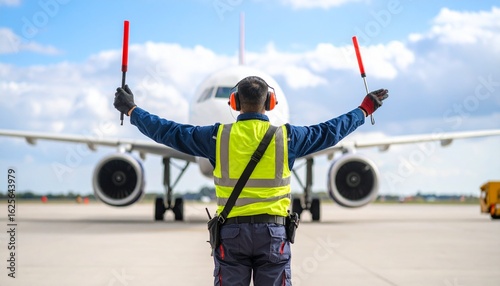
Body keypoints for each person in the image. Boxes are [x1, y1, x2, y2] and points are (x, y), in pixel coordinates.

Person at [114, 76, 388, 286]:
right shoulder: (288, 137)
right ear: (270, 103)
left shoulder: (217, 136)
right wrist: (364, 109)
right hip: (274, 235)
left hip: (231, 235)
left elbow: (168, 131)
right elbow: (331, 131)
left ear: (233, 102)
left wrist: (132, 110)